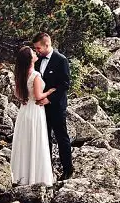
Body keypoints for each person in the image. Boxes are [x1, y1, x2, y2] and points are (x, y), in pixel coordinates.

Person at [10, 45, 56, 186]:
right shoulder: (35, 75)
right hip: (35, 111)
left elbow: (18, 94)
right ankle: (36, 177)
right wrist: (49, 93)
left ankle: (20, 175)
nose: (35, 53)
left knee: (24, 142)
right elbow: (38, 96)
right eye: (32, 53)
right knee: (36, 141)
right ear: (30, 59)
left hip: (24, 111)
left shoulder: (20, 74)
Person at [31, 32, 73, 180]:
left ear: (47, 44)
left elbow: (65, 84)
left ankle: (68, 170)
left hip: (56, 106)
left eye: (38, 48)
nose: (36, 51)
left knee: (61, 137)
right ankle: (46, 170)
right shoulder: (36, 60)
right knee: (44, 137)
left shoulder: (61, 60)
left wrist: (49, 99)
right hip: (40, 107)